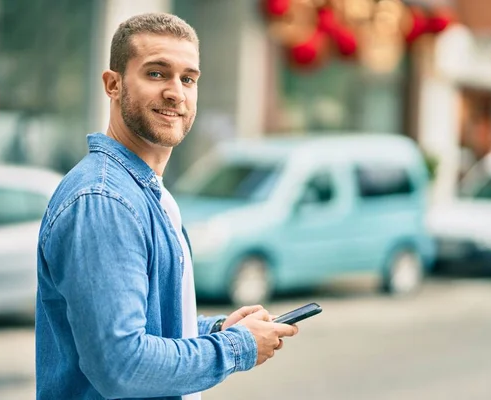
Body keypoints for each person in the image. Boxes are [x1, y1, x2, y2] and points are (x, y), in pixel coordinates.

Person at [35, 12, 299, 400]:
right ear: (113, 84)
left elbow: (149, 327)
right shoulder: (104, 202)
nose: (176, 92)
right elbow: (122, 365)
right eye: (156, 73)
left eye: (188, 78)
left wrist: (217, 330)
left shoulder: (145, 191)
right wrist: (237, 348)